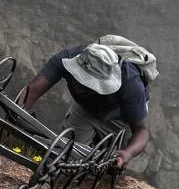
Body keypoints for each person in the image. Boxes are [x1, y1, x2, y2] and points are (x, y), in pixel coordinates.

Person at [21, 41, 151, 169]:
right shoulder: (66, 58)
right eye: (80, 79)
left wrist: (128, 153)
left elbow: (141, 130)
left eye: (89, 84)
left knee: (110, 165)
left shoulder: (131, 86)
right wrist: (18, 111)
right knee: (64, 155)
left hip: (120, 117)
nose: (81, 86)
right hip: (85, 109)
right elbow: (32, 90)